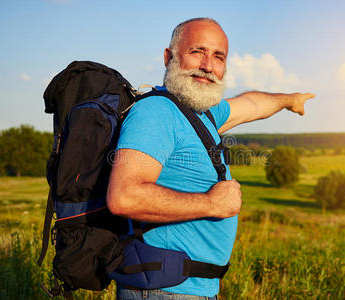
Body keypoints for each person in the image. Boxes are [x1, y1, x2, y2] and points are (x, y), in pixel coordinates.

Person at [106, 17, 314, 300]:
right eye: (197, 52)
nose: (208, 66)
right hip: (162, 291)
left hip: (188, 289)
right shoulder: (157, 113)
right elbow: (124, 197)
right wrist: (211, 203)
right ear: (169, 57)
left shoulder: (200, 114)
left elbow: (251, 104)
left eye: (218, 57)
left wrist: (289, 100)